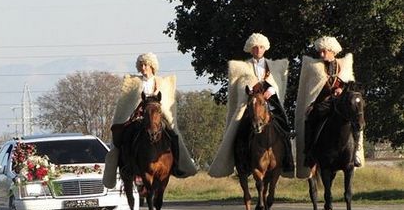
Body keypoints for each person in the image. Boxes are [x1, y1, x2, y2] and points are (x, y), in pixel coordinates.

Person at [103, 53, 196, 188]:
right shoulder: (135, 82)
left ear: (151, 66)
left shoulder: (160, 81)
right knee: (126, 135)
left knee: (173, 135)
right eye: (141, 64)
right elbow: (128, 103)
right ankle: (127, 165)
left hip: (157, 117)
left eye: (145, 64)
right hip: (139, 117)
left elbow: (164, 102)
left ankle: (176, 165)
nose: (143, 67)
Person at [208, 32, 294, 178]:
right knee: (240, 132)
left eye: (260, 47)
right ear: (250, 49)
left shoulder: (273, 66)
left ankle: (288, 162)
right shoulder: (244, 67)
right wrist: (251, 89)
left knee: (285, 128)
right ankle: (241, 163)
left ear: (265, 48)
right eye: (255, 47)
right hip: (252, 106)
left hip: (271, 106)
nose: (258, 50)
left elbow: (277, 85)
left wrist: (271, 90)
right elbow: (241, 87)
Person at [295, 36, 363, 178]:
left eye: (324, 51)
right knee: (310, 119)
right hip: (323, 103)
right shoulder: (314, 67)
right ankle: (309, 152)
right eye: (320, 51)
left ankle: (355, 152)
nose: (321, 54)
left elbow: (351, 85)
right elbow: (312, 90)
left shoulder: (343, 65)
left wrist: (341, 90)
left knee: (356, 119)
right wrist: (314, 101)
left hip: (341, 103)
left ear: (332, 51)